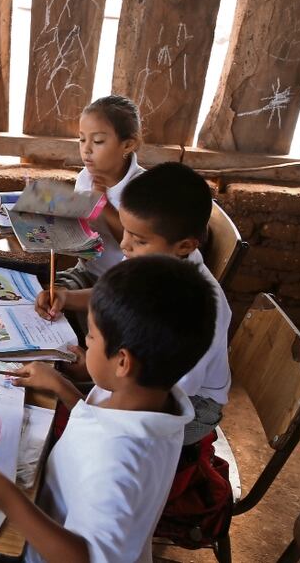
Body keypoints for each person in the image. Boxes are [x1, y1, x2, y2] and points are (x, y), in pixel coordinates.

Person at [0, 256, 217, 563]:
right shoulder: (151, 396)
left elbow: (86, 558)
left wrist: (7, 497)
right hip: (53, 508)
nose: (86, 341)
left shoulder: (118, 463)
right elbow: (99, 421)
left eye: (92, 336)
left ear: (123, 362)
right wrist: (63, 387)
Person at [36, 162, 231, 444]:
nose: (124, 245)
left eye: (138, 240)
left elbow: (160, 395)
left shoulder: (196, 306)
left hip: (189, 404)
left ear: (185, 246)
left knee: (68, 421)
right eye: (125, 231)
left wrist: (80, 382)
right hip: (144, 371)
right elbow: (116, 293)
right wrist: (67, 298)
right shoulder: (156, 262)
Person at [54, 95, 145, 291]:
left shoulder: (142, 188)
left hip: (123, 283)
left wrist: (103, 204)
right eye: (82, 139)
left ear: (127, 145)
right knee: (45, 292)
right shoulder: (85, 177)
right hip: (86, 271)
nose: (86, 149)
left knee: (69, 302)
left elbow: (137, 244)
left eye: (98, 141)